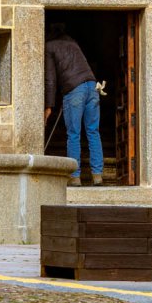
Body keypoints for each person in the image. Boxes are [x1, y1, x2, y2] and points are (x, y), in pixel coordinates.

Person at [44, 26, 102, 185]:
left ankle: (74, 177)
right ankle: (97, 175)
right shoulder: (72, 42)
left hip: (74, 90)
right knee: (93, 131)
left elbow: (50, 79)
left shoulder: (48, 47)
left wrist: (48, 106)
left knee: (74, 133)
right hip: (92, 86)